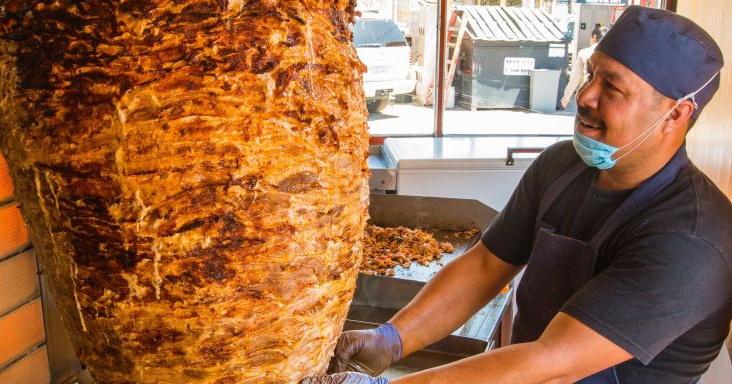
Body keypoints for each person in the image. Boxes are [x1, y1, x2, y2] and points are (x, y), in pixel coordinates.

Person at [303, 6, 730, 384]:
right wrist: (392, 339)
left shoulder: (693, 239)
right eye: (590, 74)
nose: (584, 96)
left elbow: (553, 363)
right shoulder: (563, 166)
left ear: (676, 113)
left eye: (612, 88)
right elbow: (488, 263)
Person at [561, 26, 609, 109]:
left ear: (594, 37)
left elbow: (575, 77)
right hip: (604, 98)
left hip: (585, 94)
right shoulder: (612, 55)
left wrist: (566, 97)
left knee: (581, 120)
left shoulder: (584, 53)